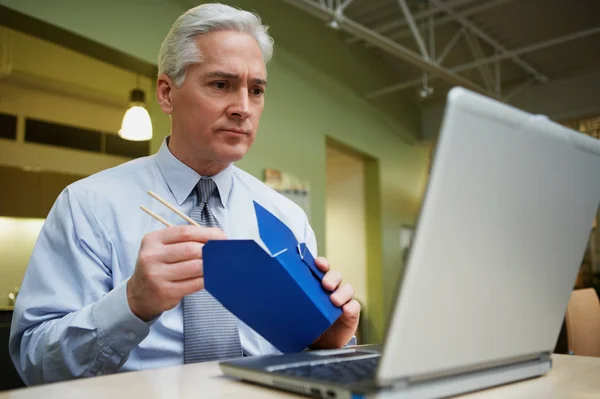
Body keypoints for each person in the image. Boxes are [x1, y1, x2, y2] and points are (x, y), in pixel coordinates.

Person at [9, 3, 360, 386]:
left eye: (256, 90)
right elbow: (34, 363)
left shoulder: (286, 217)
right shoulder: (87, 206)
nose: (243, 108)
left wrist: (326, 341)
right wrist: (130, 304)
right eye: (221, 85)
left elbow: (301, 361)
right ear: (166, 93)